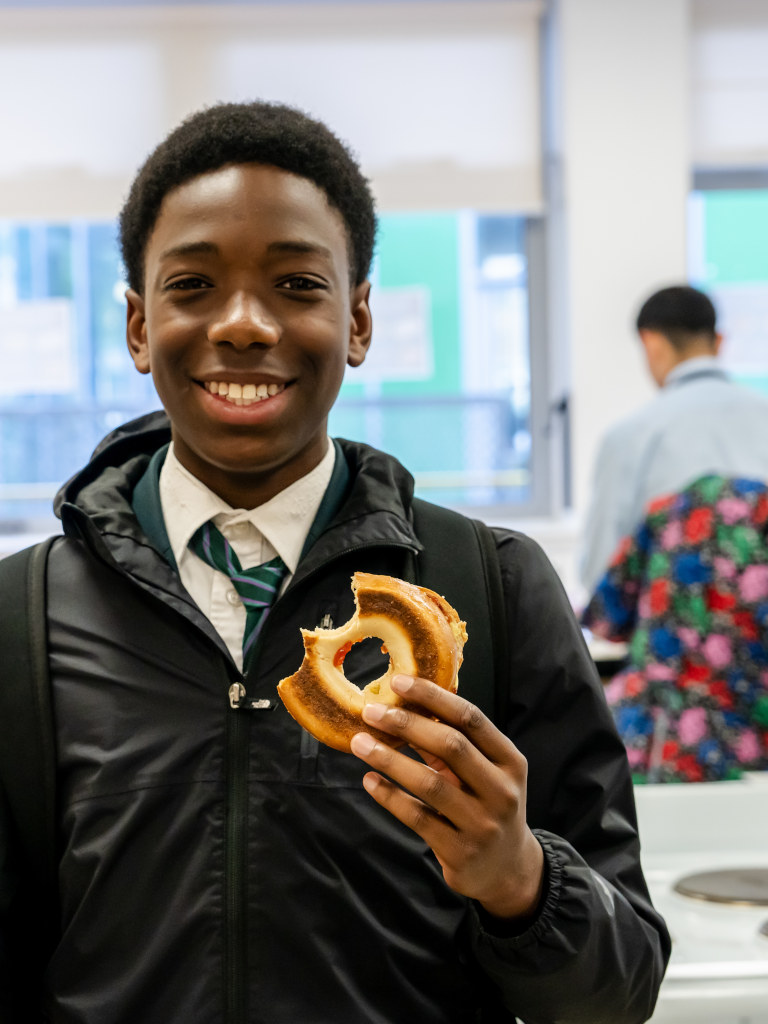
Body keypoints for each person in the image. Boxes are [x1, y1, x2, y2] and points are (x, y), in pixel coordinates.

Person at [0, 100, 669, 1023]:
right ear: (137, 325)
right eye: (192, 285)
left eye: (297, 285)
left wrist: (518, 880)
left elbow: (618, 995)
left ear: (356, 322)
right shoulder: (19, 622)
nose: (243, 324)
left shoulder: (495, 587)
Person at [580, 284, 768, 596]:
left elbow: (601, 574)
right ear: (719, 341)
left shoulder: (628, 436)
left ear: (650, 342)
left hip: (670, 637)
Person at [582, 473, 768, 783]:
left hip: (646, 743)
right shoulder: (758, 512)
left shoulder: (669, 509)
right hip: (745, 751)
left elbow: (605, 619)